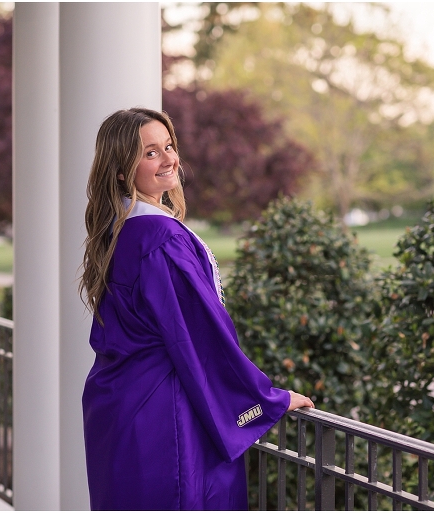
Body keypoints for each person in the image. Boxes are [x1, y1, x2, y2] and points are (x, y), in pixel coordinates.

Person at [79, 107, 314, 510]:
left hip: (120, 410)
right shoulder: (159, 238)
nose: (168, 159)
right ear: (120, 170)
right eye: (150, 152)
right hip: (162, 415)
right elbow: (198, 335)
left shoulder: (124, 230)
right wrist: (266, 399)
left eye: (169, 146)